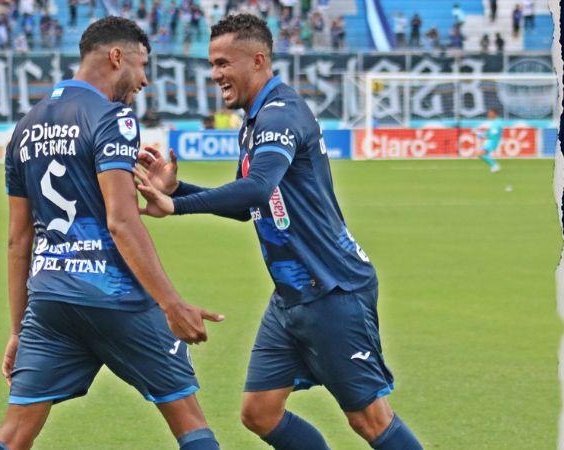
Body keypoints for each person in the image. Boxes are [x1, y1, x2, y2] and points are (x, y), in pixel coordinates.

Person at [134, 13, 422, 450]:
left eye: (223, 64)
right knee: (260, 413)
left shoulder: (280, 115)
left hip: (331, 288)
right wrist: (177, 192)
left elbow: (256, 187)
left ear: (258, 60)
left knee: (370, 420)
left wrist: (175, 204)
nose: (215, 75)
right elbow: (252, 204)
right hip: (291, 295)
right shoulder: (255, 120)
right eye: (212, 65)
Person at [0, 16, 223, 450]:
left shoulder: (25, 127)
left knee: (13, 436)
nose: (145, 79)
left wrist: (20, 330)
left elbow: (20, 240)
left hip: (50, 300)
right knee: (189, 422)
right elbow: (120, 221)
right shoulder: (114, 118)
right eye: (142, 64)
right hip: (114, 296)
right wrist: (172, 304)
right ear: (116, 57)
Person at [476, 108, 502, 172]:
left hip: (492, 141)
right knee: (482, 155)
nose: (489, 114)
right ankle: (494, 166)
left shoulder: (497, 123)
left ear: (494, 114)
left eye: (490, 113)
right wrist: (480, 134)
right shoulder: (494, 122)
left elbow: (494, 133)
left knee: (480, 154)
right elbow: (489, 132)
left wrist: (482, 135)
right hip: (490, 141)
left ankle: (495, 166)